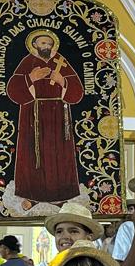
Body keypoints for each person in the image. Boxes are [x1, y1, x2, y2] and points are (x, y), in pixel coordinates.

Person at [6, 30, 84, 204]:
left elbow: (77, 91)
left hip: (58, 115)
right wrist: (30, 78)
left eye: (49, 43)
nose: (46, 46)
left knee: (59, 154)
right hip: (33, 115)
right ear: (34, 44)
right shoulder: (28, 61)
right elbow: (13, 89)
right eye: (43, 43)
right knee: (33, 154)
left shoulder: (61, 61)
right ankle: (32, 196)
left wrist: (62, 81)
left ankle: (61, 196)